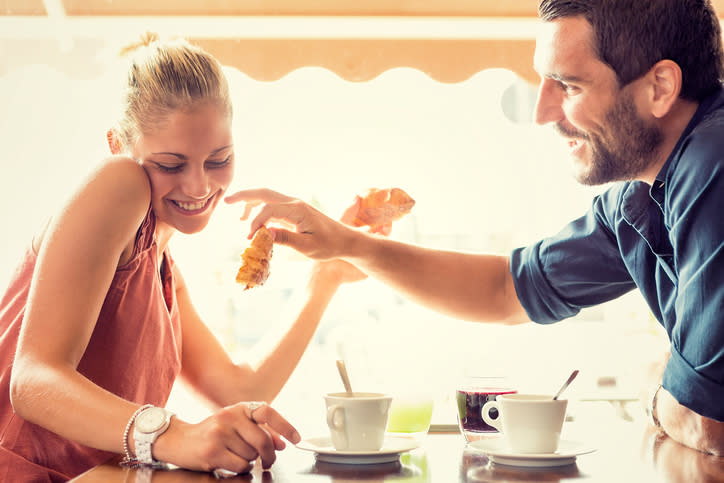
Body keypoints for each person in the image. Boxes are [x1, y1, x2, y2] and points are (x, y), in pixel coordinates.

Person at [225, 0, 724, 455]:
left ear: (660, 87)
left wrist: (653, 390)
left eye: (569, 86)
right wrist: (346, 244)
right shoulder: (637, 198)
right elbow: (505, 288)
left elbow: (706, 422)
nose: (541, 112)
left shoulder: (712, 161)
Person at [0, 33, 373, 481]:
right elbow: (33, 382)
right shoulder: (120, 182)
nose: (198, 187)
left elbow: (242, 387)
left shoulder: (163, 268)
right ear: (118, 143)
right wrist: (173, 434)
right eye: (170, 165)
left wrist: (325, 276)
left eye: (219, 160)